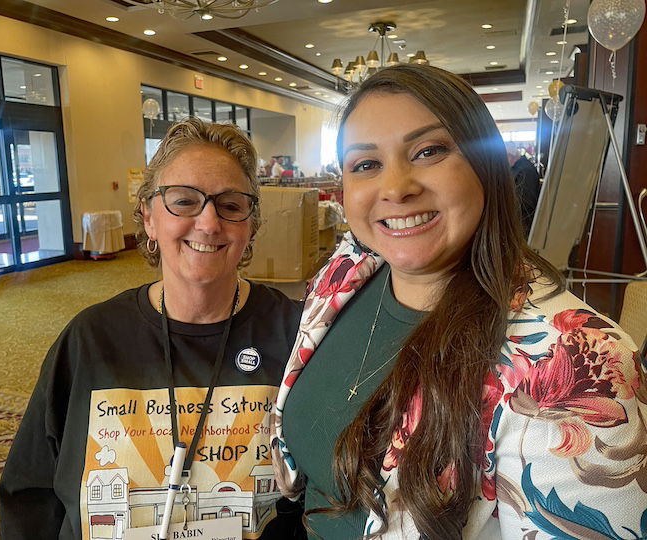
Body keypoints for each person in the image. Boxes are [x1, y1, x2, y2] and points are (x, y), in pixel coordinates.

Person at [270, 64, 647, 539]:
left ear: (485, 166)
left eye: (429, 151)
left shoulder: (570, 365)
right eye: (366, 164)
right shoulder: (344, 274)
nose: (395, 187)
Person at [0, 118, 304, 539]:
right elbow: (30, 495)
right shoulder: (92, 338)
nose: (209, 223)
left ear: (250, 224)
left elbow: (326, 494)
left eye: (231, 205)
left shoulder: (296, 335)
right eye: (183, 201)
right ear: (147, 217)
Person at [506, 141, 541, 236]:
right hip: (518, 222)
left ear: (509, 156)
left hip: (523, 225)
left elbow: (525, 203)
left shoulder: (525, 171)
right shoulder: (517, 168)